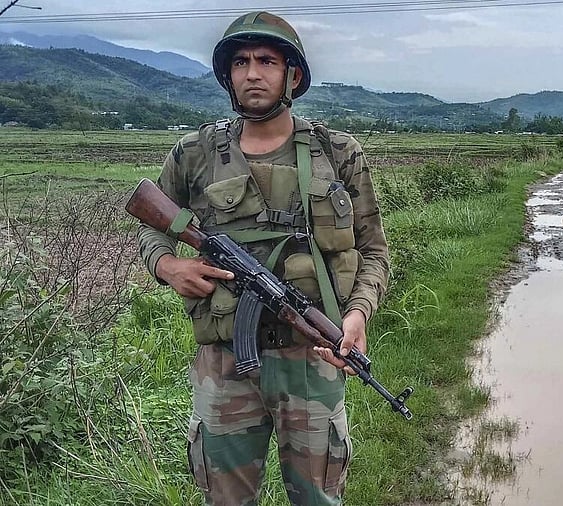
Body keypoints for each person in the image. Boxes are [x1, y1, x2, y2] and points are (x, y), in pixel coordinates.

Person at [136, 11, 389, 505]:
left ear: (292, 75)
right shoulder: (194, 153)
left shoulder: (337, 152)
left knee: (318, 499)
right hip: (225, 364)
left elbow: (373, 250)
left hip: (312, 362)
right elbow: (151, 230)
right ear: (227, 76)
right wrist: (169, 267)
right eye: (241, 62)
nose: (253, 72)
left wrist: (357, 316)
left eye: (267, 61)